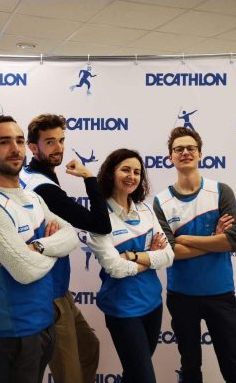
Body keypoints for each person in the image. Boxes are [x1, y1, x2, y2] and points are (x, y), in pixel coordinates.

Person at [0, 115, 79, 383]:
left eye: (19, 141)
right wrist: (51, 249)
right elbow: (25, 271)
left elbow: (71, 237)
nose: (15, 149)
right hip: (12, 333)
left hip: (44, 323)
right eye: (4, 142)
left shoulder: (33, 197)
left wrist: (36, 247)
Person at [20, 114, 110, 383]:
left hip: (58, 288)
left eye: (61, 140)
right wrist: (89, 177)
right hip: (47, 293)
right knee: (69, 375)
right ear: (33, 147)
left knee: (89, 348)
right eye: (50, 142)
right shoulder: (44, 187)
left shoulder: (30, 174)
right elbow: (101, 224)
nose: (58, 147)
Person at [154, 127, 236, 383]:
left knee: (233, 365)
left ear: (200, 153)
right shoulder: (161, 201)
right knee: (190, 367)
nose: (185, 152)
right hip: (182, 296)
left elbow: (233, 240)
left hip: (221, 294)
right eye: (178, 149)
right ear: (170, 157)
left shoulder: (221, 191)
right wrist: (214, 239)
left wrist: (186, 239)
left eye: (190, 148)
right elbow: (170, 251)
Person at [88, 148, 174, 383]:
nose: (132, 176)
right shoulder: (99, 216)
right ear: (110, 173)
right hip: (123, 310)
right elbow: (115, 268)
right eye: (125, 170)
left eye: (137, 172)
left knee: (134, 376)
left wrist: (132, 256)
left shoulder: (145, 209)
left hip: (153, 304)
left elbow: (168, 255)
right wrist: (150, 256)